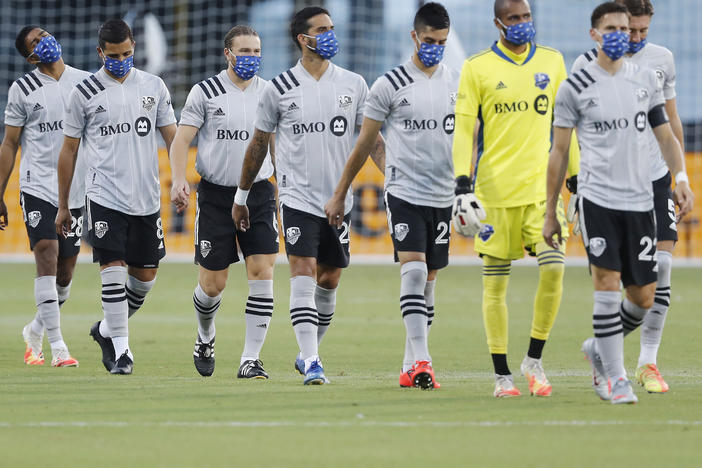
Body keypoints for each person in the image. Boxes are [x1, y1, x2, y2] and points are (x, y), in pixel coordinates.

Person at [544, 1, 693, 404]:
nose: (622, 35)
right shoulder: (575, 83)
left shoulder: (648, 76)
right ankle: (618, 377)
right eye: (611, 28)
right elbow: (559, 150)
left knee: (644, 296)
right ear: (594, 33)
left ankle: (601, 350)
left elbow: (666, 133)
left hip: (645, 194)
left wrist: (681, 177)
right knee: (606, 284)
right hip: (598, 197)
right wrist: (552, 207)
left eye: (625, 29)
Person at [233, 6, 383, 385]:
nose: (330, 34)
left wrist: (395, 178)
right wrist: (242, 195)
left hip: (339, 200)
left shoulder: (354, 84)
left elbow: (373, 143)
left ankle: (306, 351)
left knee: (330, 279)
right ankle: (314, 361)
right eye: (322, 29)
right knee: (302, 271)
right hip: (297, 199)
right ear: (304, 38)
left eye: (332, 28)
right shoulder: (279, 89)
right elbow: (258, 146)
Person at [324, 2, 456, 389]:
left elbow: (469, 136)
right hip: (404, 192)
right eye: (429, 40)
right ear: (414, 36)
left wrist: (469, 184)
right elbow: (364, 143)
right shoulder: (389, 84)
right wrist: (340, 193)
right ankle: (424, 361)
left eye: (442, 41)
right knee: (413, 269)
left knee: (429, 279)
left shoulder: (459, 82)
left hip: (444, 193)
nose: (435, 47)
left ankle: (409, 362)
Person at [452, 0, 580, 397]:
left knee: (555, 268)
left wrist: (575, 181)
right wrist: (461, 184)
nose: (523, 24)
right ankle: (502, 375)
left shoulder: (554, 62)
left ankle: (534, 359)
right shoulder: (477, 68)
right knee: (495, 287)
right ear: (498, 23)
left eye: (527, 17)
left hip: (542, 193)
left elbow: (566, 127)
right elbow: (463, 129)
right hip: (493, 194)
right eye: (514, 19)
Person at [55, 19, 177, 375]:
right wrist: (64, 204)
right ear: (100, 53)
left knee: (145, 278)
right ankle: (123, 352)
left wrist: (181, 180)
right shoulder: (85, 93)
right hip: (104, 194)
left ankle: (107, 329)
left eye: (126, 53)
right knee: (112, 267)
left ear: (134, 48)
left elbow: (173, 138)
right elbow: (69, 151)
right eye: (113, 55)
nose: (120, 60)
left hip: (146, 197)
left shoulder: (153, 86)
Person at [169, 25, 278, 379]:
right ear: (227, 53)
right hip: (216, 196)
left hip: (259, 193)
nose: (251, 58)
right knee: (213, 284)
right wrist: (179, 179)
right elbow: (181, 140)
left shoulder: (270, 92)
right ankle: (205, 335)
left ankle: (250, 358)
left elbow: (275, 143)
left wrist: (286, 184)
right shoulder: (206, 92)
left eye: (256, 51)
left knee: (262, 272)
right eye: (244, 51)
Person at [0, 26, 90, 368]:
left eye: (44, 34)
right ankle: (58, 348)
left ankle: (34, 330)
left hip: (76, 190)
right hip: (37, 186)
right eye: (35, 42)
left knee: (64, 276)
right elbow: (10, 144)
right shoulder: (22, 89)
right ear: (31, 56)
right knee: (47, 255)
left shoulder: (87, 82)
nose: (44, 40)